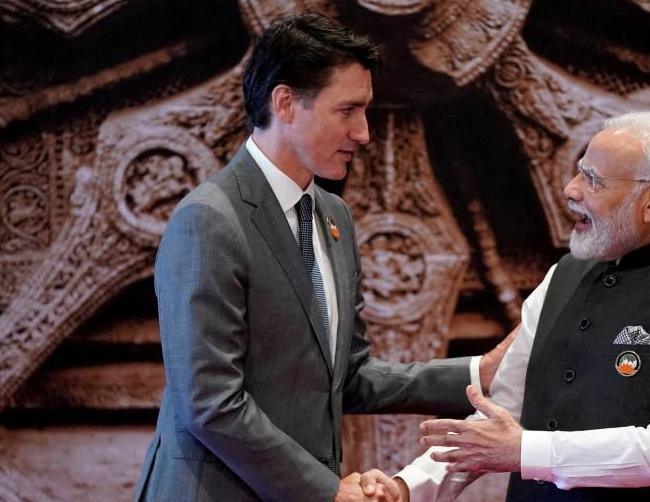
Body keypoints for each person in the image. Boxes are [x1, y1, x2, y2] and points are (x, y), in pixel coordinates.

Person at [134, 13, 506, 502]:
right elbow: (209, 402)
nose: (363, 133)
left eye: (365, 111)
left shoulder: (333, 216)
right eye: (347, 110)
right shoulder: (208, 219)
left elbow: (349, 376)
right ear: (285, 103)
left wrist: (478, 372)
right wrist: (325, 490)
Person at [394, 111, 650, 501]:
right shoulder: (564, 275)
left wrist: (527, 451)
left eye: (593, 179)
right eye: (579, 172)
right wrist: (405, 488)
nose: (571, 190)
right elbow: (503, 411)